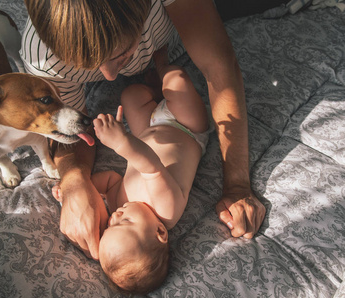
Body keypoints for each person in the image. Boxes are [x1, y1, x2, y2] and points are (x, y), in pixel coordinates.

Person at [22, 0, 266, 260]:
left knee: (162, 84)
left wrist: (238, 185)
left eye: (121, 54)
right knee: (133, 93)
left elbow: (219, 67)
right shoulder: (43, 57)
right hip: (172, 128)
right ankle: (157, 81)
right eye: (88, 64)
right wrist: (75, 183)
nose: (110, 75)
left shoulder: (122, 204)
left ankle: (161, 72)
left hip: (159, 128)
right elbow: (74, 134)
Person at [92, 49, 211, 293]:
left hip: (146, 130)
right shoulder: (165, 212)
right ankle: (162, 65)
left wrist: (85, 187)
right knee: (177, 79)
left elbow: (107, 182)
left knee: (131, 95)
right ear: (159, 233)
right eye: (124, 223)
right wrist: (121, 143)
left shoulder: (118, 203)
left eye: (109, 226)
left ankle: (156, 92)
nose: (114, 216)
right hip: (186, 128)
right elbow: (151, 167)